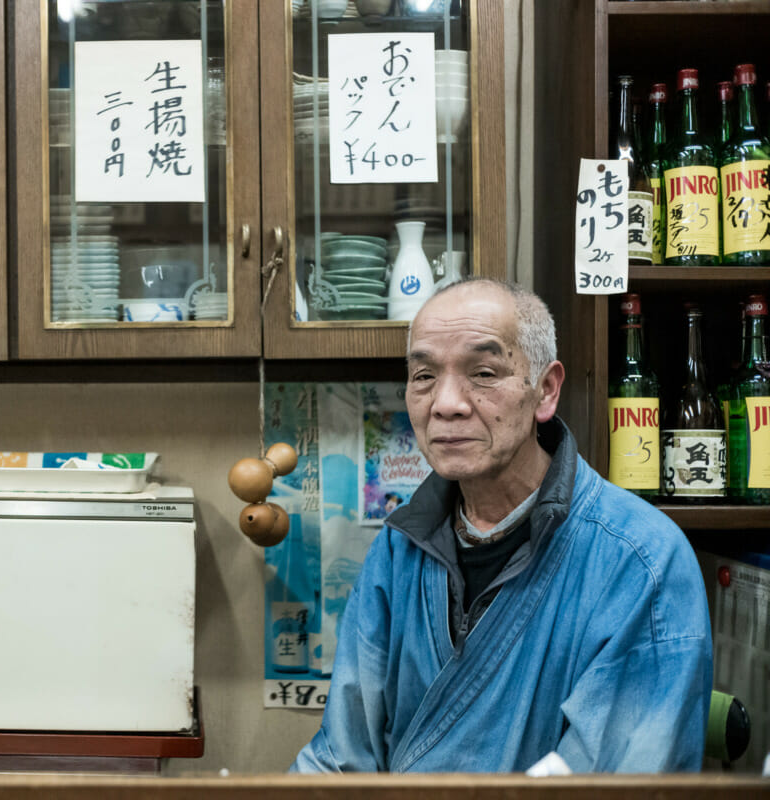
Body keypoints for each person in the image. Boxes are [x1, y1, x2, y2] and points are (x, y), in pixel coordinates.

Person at [291, 278, 712, 773]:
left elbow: (609, 790)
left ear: (545, 390)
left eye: (484, 372)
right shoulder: (397, 549)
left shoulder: (641, 560)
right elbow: (339, 759)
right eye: (424, 376)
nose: (446, 403)